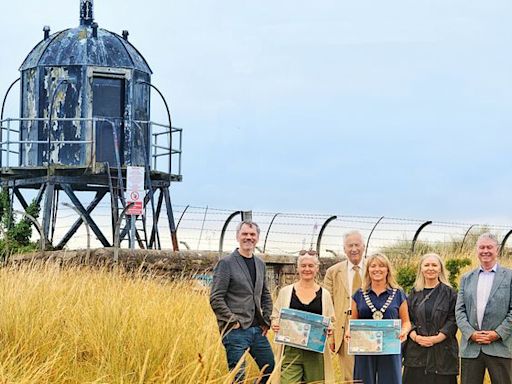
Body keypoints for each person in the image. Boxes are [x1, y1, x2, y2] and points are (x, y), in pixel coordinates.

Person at [209, 220, 275, 383]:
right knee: (238, 376)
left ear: (257, 238)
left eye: (252, 234)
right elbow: (216, 297)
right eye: (245, 234)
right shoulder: (226, 263)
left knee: (270, 369)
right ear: (238, 236)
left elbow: (265, 294)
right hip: (235, 331)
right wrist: (233, 321)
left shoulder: (260, 264)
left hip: (257, 329)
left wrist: (266, 319)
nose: (248, 237)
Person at [271, 250, 336, 384]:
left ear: (316, 268)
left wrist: (329, 328)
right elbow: (275, 315)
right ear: (298, 268)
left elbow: (331, 320)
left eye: (311, 266)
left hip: (315, 352)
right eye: (304, 266)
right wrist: (276, 324)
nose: (307, 269)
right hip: (290, 351)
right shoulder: (285, 292)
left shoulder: (325, 295)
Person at [455, 232, 512, 384]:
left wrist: (497, 333)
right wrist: (470, 333)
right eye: (481, 247)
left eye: (489, 247)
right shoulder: (466, 278)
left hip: (500, 346)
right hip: (471, 348)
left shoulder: (510, 276)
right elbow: (459, 311)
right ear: (477, 251)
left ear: (497, 250)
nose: (485, 251)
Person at [348, 252, 411, 384]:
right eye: (373, 266)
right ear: (368, 270)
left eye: (381, 266)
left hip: (390, 347)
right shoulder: (359, 295)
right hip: (364, 349)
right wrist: (349, 332)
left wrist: (404, 331)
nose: (377, 269)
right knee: (362, 381)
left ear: (387, 269)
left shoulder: (398, 293)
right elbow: (352, 322)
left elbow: (406, 322)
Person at [403, 253, 459, 384]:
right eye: (426, 265)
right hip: (416, 354)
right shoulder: (414, 293)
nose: (430, 268)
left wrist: (436, 338)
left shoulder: (450, 293)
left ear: (440, 269)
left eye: (434, 265)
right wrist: (416, 337)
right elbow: (406, 318)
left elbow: (454, 318)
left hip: (442, 354)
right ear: (421, 269)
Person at [323, 230, 365, 382]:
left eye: (357, 245)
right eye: (350, 246)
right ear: (344, 249)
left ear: (364, 246)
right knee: (350, 376)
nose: (354, 249)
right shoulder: (333, 272)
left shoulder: (375, 268)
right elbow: (327, 306)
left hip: (369, 325)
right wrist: (332, 336)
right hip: (344, 326)